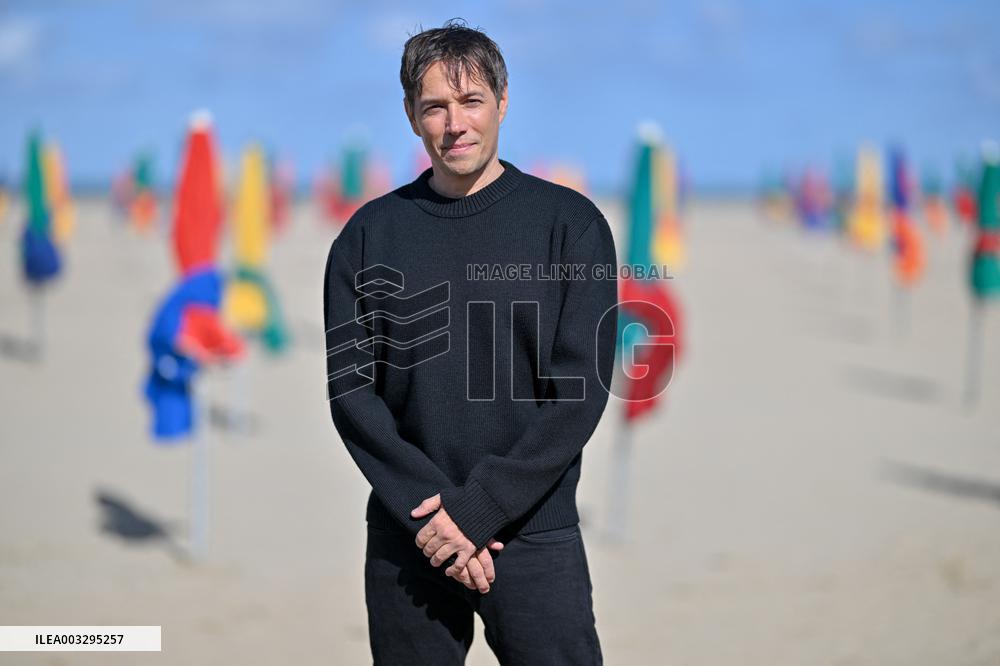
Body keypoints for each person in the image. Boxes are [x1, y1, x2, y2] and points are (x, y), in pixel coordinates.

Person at [323, 18, 618, 665]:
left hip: (533, 529)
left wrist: (482, 508)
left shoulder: (572, 226)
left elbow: (581, 390)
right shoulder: (367, 237)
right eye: (434, 106)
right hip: (410, 538)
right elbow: (352, 393)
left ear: (503, 102)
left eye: (471, 101)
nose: (454, 123)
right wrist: (433, 519)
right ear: (411, 115)